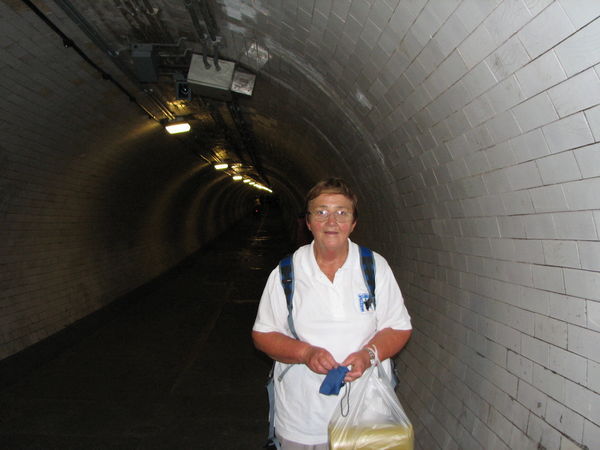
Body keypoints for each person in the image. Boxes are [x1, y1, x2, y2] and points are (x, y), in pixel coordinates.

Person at [252, 178, 412, 449]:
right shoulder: (287, 273)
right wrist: (305, 353)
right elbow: (263, 334)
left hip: (367, 413)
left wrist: (368, 355)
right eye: (321, 212)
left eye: (342, 212)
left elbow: (399, 326)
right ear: (308, 221)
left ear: (353, 223)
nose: (331, 221)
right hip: (302, 418)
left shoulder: (374, 267)